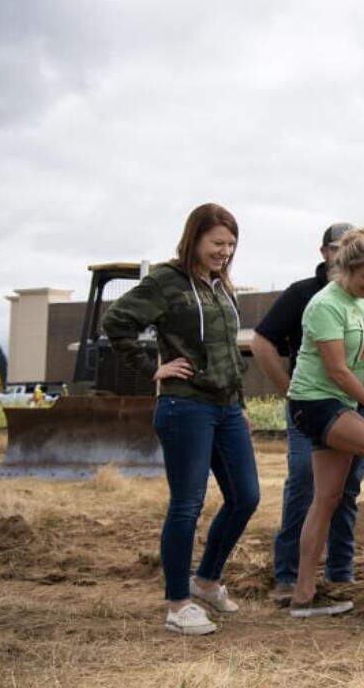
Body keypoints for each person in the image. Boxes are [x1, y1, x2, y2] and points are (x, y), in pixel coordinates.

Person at [102, 203, 260, 635]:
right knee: (187, 505)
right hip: (184, 407)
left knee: (245, 497)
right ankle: (178, 604)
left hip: (226, 408)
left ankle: (207, 580)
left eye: (230, 244)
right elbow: (115, 322)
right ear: (195, 239)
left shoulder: (221, 286)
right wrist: (152, 367)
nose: (224, 251)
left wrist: (240, 406)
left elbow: (228, 352)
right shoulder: (166, 283)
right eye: (217, 243)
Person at [251, 223, 364, 604]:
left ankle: (304, 594)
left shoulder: (362, 301)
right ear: (346, 270)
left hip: (338, 404)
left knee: (328, 498)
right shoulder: (323, 304)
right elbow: (337, 370)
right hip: (316, 403)